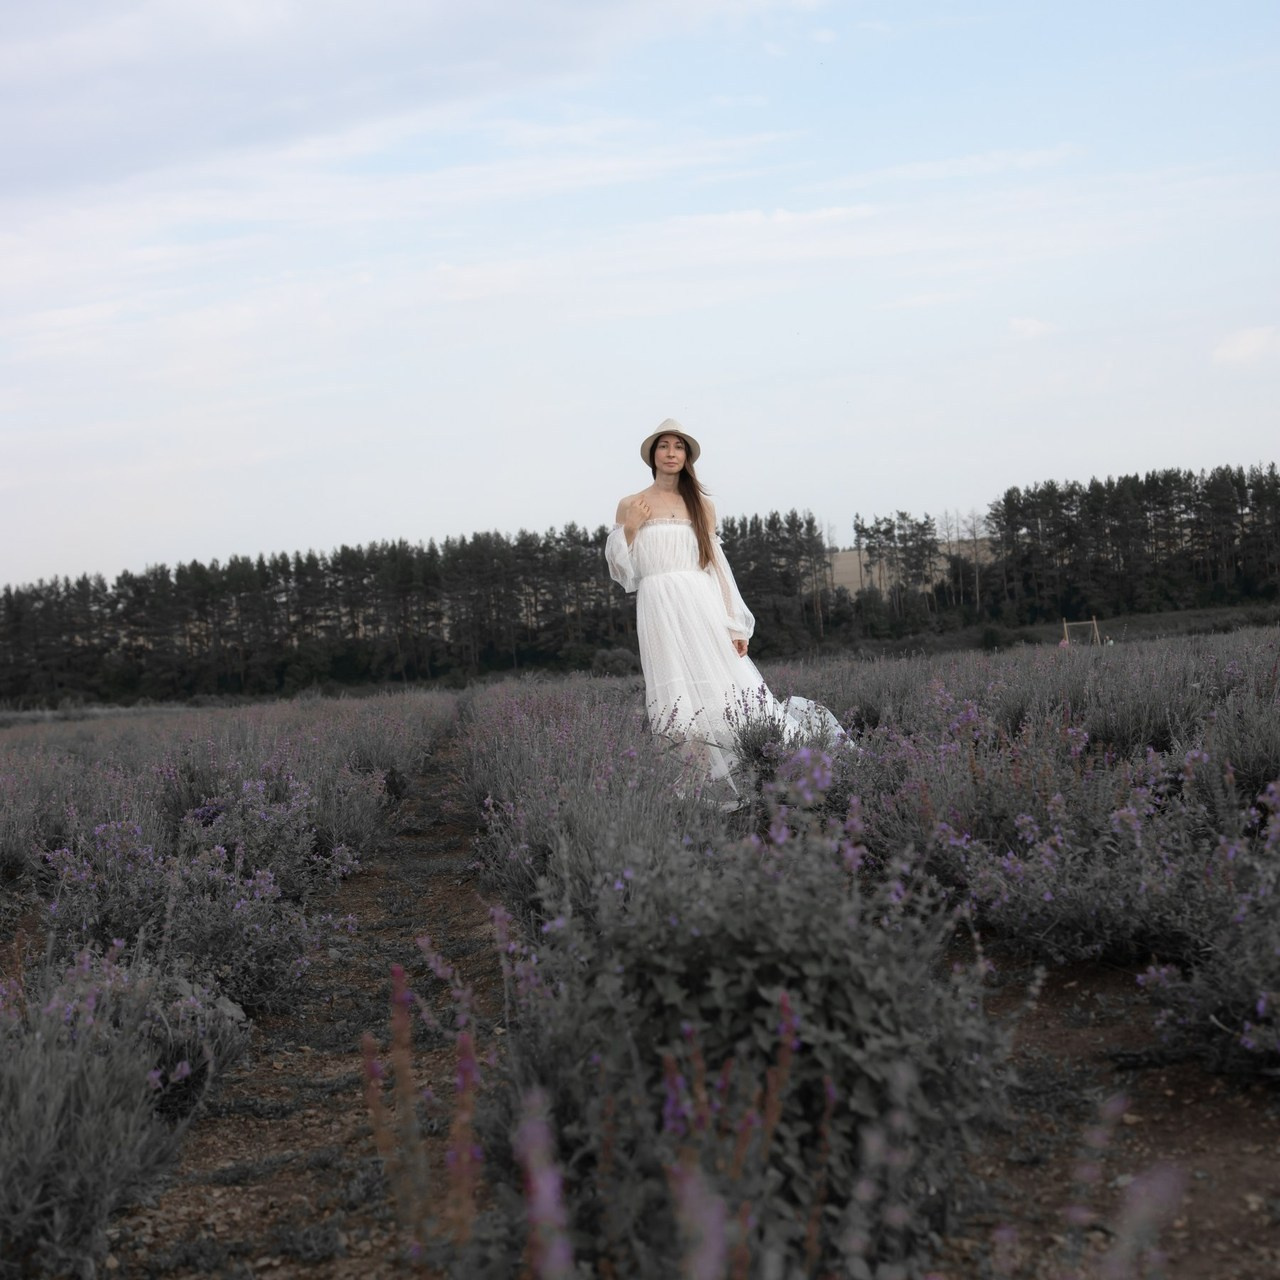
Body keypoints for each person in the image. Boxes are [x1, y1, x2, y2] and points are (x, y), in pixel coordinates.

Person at [605, 419, 844, 786]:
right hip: (657, 605)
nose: (671, 453)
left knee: (728, 684)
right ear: (653, 455)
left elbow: (717, 567)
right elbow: (623, 573)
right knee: (674, 689)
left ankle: (769, 760)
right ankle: (698, 781)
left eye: (678, 447)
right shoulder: (631, 504)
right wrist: (631, 527)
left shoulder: (702, 506)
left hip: (702, 602)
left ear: (687, 457)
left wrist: (734, 622)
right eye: (664, 446)